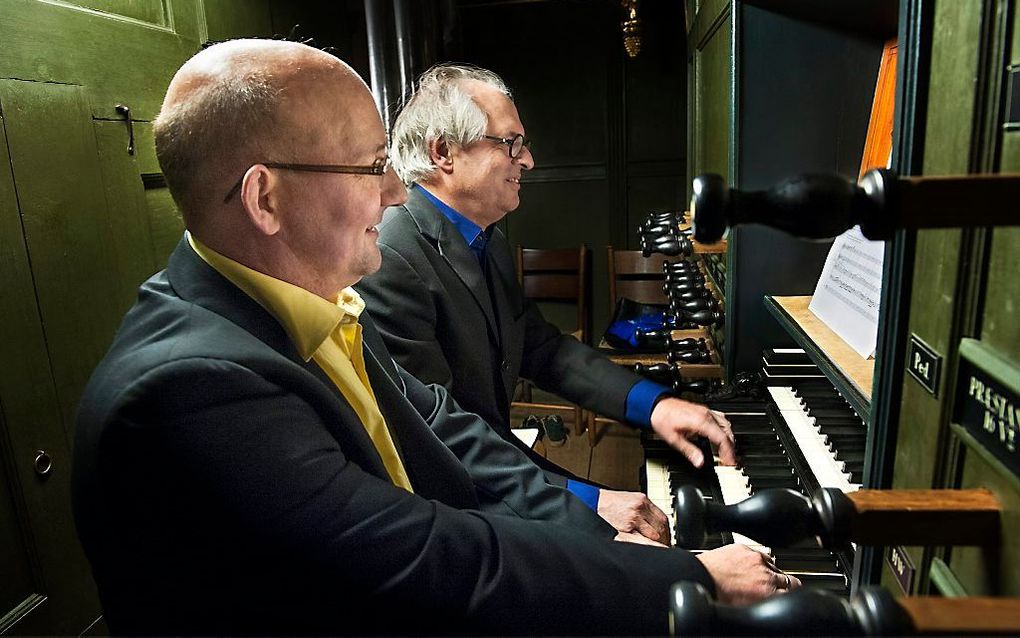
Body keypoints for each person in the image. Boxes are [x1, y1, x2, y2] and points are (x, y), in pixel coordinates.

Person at [71, 39, 798, 635]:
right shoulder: (192, 391)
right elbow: (425, 553)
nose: (393, 192)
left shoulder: (311, 301)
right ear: (267, 198)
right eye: (371, 166)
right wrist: (680, 575)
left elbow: (442, 424)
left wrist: (586, 513)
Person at [356, 63, 737, 544]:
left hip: (497, 465)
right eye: (510, 143)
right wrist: (592, 503)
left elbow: (542, 348)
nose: (529, 160)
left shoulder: (485, 239)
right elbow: (439, 437)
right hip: (454, 506)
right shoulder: (392, 257)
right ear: (443, 152)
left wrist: (656, 405)